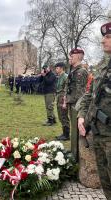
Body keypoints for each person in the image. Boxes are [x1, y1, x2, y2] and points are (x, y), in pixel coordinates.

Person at [78, 22, 111, 199]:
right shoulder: (100, 66)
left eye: (108, 37)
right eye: (103, 37)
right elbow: (89, 94)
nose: (102, 41)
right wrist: (82, 116)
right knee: (106, 181)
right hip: (98, 133)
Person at [62, 48, 88, 160]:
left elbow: (80, 92)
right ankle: (73, 151)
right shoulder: (73, 70)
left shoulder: (81, 71)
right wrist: (66, 99)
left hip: (76, 105)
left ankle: (75, 155)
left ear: (78, 56)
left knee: (76, 131)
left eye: (71, 56)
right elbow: (69, 88)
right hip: (72, 103)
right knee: (73, 130)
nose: (70, 58)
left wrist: (73, 104)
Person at [54, 62, 70, 141]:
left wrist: (64, 101)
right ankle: (64, 133)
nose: (56, 70)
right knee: (60, 116)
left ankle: (66, 135)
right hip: (59, 96)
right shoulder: (60, 76)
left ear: (61, 68)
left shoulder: (65, 76)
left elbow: (66, 90)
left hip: (63, 97)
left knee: (64, 116)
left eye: (57, 68)